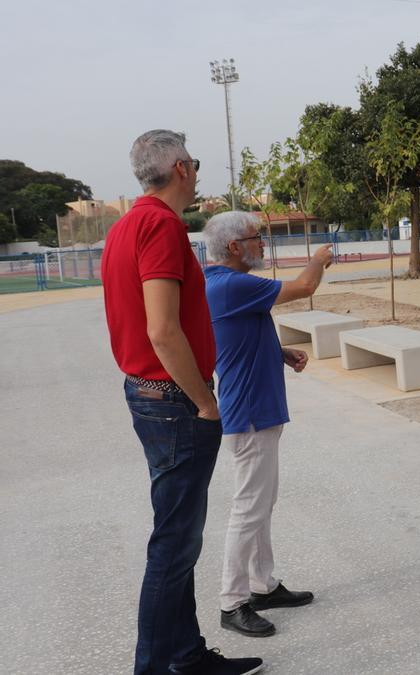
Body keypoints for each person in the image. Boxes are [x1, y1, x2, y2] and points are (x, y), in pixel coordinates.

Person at [100, 130, 262, 675]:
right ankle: (155, 666)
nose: (196, 171)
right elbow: (163, 330)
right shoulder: (162, 226)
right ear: (180, 168)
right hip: (172, 400)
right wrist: (205, 403)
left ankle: (185, 655)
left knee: (179, 538)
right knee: (173, 544)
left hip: (149, 394)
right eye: (193, 162)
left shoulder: (126, 226)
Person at [201, 212, 333, 638]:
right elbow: (305, 286)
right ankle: (232, 600)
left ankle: (262, 585)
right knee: (248, 508)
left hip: (260, 409)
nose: (263, 246)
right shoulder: (231, 283)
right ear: (235, 246)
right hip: (250, 414)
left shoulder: (226, 285)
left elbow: (238, 336)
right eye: (257, 239)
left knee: (262, 503)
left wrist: (278, 352)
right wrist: (318, 258)